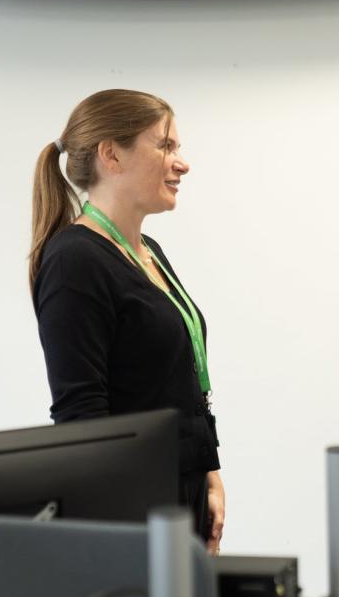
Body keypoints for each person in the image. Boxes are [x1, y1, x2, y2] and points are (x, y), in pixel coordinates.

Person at [28, 89, 225, 553]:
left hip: (183, 489)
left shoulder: (148, 251)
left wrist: (210, 475)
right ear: (111, 154)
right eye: (165, 146)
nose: (182, 163)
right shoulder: (74, 261)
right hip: (132, 512)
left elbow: (182, 385)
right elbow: (80, 418)